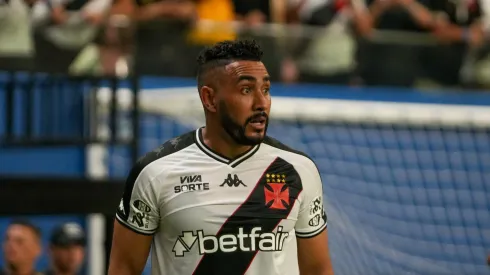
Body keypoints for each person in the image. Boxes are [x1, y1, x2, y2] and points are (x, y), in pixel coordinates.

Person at [108, 39, 333, 275]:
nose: (261, 103)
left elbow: (317, 269)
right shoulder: (155, 172)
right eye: (246, 90)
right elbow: (124, 268)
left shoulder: (298, 169)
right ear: (209, 99)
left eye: (265, 90)